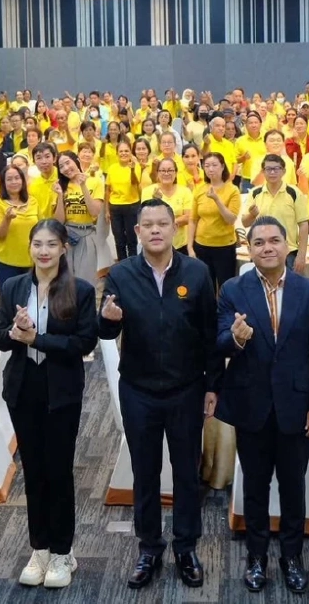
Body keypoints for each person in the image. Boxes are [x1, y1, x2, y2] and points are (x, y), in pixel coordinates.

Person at [99, 199, 221, 591]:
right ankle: (149, 547)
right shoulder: (120, 274)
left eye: (162, 223)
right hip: (139, 391)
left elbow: (210, 335)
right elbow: (102, 332)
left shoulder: (198, 273)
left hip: (186, 390)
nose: (155, 230)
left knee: (187, 473)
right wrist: (107, 320)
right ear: (137, 232)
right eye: (147, 224)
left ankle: (186, 547)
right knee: (145, 473)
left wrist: (212, 385)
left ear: (174, 228)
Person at [216, 217, 309, 594]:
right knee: (254, 486)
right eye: (259, 242)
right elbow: (217, 340)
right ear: (249, 250)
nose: (267, 247)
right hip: (251, 404)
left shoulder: (308, 290)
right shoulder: (234, 289)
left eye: (274, 241)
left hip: (297, 406)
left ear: (287, 246)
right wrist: (233, 340)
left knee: (294, 487)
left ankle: (292, 557)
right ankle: (256, 557)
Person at [0, 220, 99, 590]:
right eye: (38, 244)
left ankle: (62, 552)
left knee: (58, 472)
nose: (43, 251)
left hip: (61, 391)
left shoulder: (81, 290)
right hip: (23, 390)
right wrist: (14, 332)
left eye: (51, 244)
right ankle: (38, 548)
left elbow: (84, 344)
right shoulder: (13, 286)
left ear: (63, 248)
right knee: (33, 473)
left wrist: (37, 339)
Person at [245, 154, 309, 273]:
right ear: (263, 172)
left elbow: (303, 224)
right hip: (261, 251)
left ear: (283, 171)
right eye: (268, 169)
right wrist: (252, 215)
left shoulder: (294, 193)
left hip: (289, 252)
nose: (272, 172)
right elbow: (245, 223)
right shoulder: (255, 193)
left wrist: (301, 254)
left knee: (290, 289)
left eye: (276, 168)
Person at [189, 151, 241, 292]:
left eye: (214, 165)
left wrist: (217, 199)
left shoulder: (232, 190)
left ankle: (226, 313)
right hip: (202, 245)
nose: (210, 169)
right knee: (206, 287)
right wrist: (190, 247)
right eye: (207, 165)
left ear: (222, 166)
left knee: (226, 287)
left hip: (224, 246)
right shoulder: (199, 189)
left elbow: (231, 219)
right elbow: (193, 220)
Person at [56, 150, 104, 283]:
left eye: (67, 163)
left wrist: (83, 186)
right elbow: (59, 221)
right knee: (66, 280)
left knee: (86, 281)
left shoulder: (95, 182)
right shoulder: (61, 186)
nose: (66, 168)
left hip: (87, 234)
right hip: (67, 236)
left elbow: (94, 212)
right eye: (61, 167)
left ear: (76, 160)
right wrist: (60, 196)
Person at [0, 163, 39, 288]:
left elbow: (40, 229)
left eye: (17, 178)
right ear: (3, 183)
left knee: (32, 302)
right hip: (7, 263)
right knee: (10, 303)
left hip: (32, 262)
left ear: (22, 180)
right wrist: (7, 219)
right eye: (9, 179)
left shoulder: (33, 201)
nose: (14, 182)